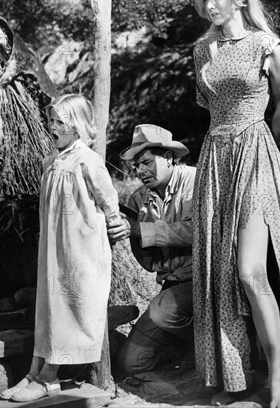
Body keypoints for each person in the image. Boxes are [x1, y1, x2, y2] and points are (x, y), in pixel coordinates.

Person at [192, 0, 280, 408]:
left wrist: (264, 146)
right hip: (215, 158)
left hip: (255, 154)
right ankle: (235, 378)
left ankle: (279, 379)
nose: (209, 5)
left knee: (251, 271)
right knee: (221, 275)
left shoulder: (267, 45)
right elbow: (210, 107)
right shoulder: (201, 51)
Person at [0, 94, 121, 402]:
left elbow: (108, 201)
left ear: (77, 125)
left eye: (60, 121)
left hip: (80, 246)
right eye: (51, 120)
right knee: (49, 307)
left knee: (69, 304)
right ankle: (34, 373)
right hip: (54, 246)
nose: (53, 126)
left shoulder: (87, 160)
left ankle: (50, 376)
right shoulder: (51, 160)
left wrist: (115, 222)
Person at [108, 124, 195, 373]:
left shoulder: (196, 181)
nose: (141, 171)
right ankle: (192, 349)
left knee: (163, 311)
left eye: (147, 162)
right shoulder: (138, 199)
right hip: (172, 287)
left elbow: (197, 232)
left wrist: (140, 230)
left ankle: (213, 344)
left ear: (168, 157)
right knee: (131, 363)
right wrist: (127, 233)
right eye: (137, 166)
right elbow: (150, 264)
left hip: (207, 282)